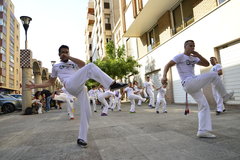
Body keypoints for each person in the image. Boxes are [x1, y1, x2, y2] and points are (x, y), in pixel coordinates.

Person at [26, 45, 127, 148]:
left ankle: (82, 138)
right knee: (91, 66)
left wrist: (69, 57)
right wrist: (36, 85)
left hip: (80, 88)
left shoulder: (74, 62)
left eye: (67, 52)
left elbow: (83, 64)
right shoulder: (56, 66)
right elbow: (50, 82)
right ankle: (111, 84)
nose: (65, 54)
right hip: (69, 84)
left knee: (87, 112)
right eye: (62, 52)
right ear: (59, 54)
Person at [161, 40, 234, 138]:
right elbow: (167, 65)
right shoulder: (180, 56)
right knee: (214, 74)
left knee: (204, 105)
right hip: (188, 82)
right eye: (190, 46)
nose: (192, 48)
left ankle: (202, 131)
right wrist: (164, 76)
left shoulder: (193, 58)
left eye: (193, 46)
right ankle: (224, 96)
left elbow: (206, 64)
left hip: (193, 84)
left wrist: (198, 54)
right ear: (185, 46)